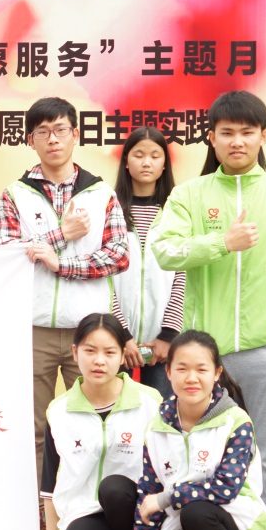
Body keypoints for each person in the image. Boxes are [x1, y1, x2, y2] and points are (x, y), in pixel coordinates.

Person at [153, 91, 266, 530]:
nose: (237, 141)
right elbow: (165, 250)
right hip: (205, 356)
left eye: (247, 132)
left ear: (264, 136)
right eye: (227, 132)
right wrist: (222, 241)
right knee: (198, 453)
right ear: (212, 137)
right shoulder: (190, 195)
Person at [0, 96, 131, 485]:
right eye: (42, 132)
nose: (52, 139)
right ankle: (36, 509)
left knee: (94, 424)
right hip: (31, 328)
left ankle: (92, 506)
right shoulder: (14, 194)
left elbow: (118, 256)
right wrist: (61, 235)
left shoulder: (101, 193)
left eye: (60, 130)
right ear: (30, 140)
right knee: (31, 427)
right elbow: (6, 254)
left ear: (75, 134)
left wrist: (62, 264)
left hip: (88, 331)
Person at [133, 330, 266, 530]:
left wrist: (168, 497)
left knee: (197, 512)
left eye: (201, 369)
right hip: (179, 527)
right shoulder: (155, 427)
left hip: (234, 529)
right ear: (168, 372)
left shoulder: (236, 421)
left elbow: (226, 487)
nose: (191, 378)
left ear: (217, 373)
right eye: (182, 369)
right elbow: (148, 493)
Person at [39, 314, 161, 530]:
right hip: (85, 511)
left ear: (122, 356)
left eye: (109, 352)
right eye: (90, 350)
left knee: (114, 488)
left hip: (137, 510)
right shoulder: (58, 411)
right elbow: (50, 485)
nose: (99, 360)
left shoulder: (151, 403)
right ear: (75, 352)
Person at [113, 127, 184, 399]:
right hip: (115, 342)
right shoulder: (110, 211)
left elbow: (183, 276)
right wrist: (121, 335)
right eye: (139, 155)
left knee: (162, 416)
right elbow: (103, 278)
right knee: (115, 414)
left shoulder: (177, 213)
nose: (146, 162)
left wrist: (168, 335)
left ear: (165, 164)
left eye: (155, 156)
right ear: (126, 162)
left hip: (163, 345)